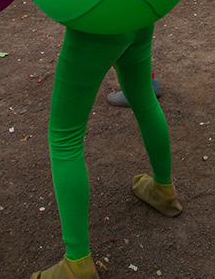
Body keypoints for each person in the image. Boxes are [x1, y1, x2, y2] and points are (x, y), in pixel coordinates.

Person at [35, 26, 181, 279]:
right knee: (145, 99)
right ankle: (164, 191)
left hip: (97, 20)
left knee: (64, 137)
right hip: (140, 10)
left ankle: (77, 263)